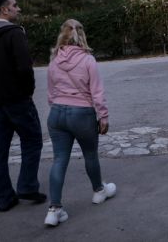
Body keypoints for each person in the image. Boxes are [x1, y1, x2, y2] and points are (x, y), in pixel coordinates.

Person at [0, 0, 45, 212]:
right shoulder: (14, 34)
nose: (19, 8)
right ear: (4, 10)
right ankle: (26, 185)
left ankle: (4, 198)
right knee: (32, 140)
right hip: (17, 100)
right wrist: (28, 92)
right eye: (15, 5)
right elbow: (25, 68)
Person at [44, 19, 116, 227]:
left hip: (56, 114)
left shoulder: (54, 60)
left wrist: (59, 106)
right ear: (81, 36)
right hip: (82, 114)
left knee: (59, 160)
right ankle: (99, 192)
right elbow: (97, 93)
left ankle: (54, 210)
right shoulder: (88, 60)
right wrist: (103, 116)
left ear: (62, 36)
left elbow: (50, 93)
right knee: (90, 154)